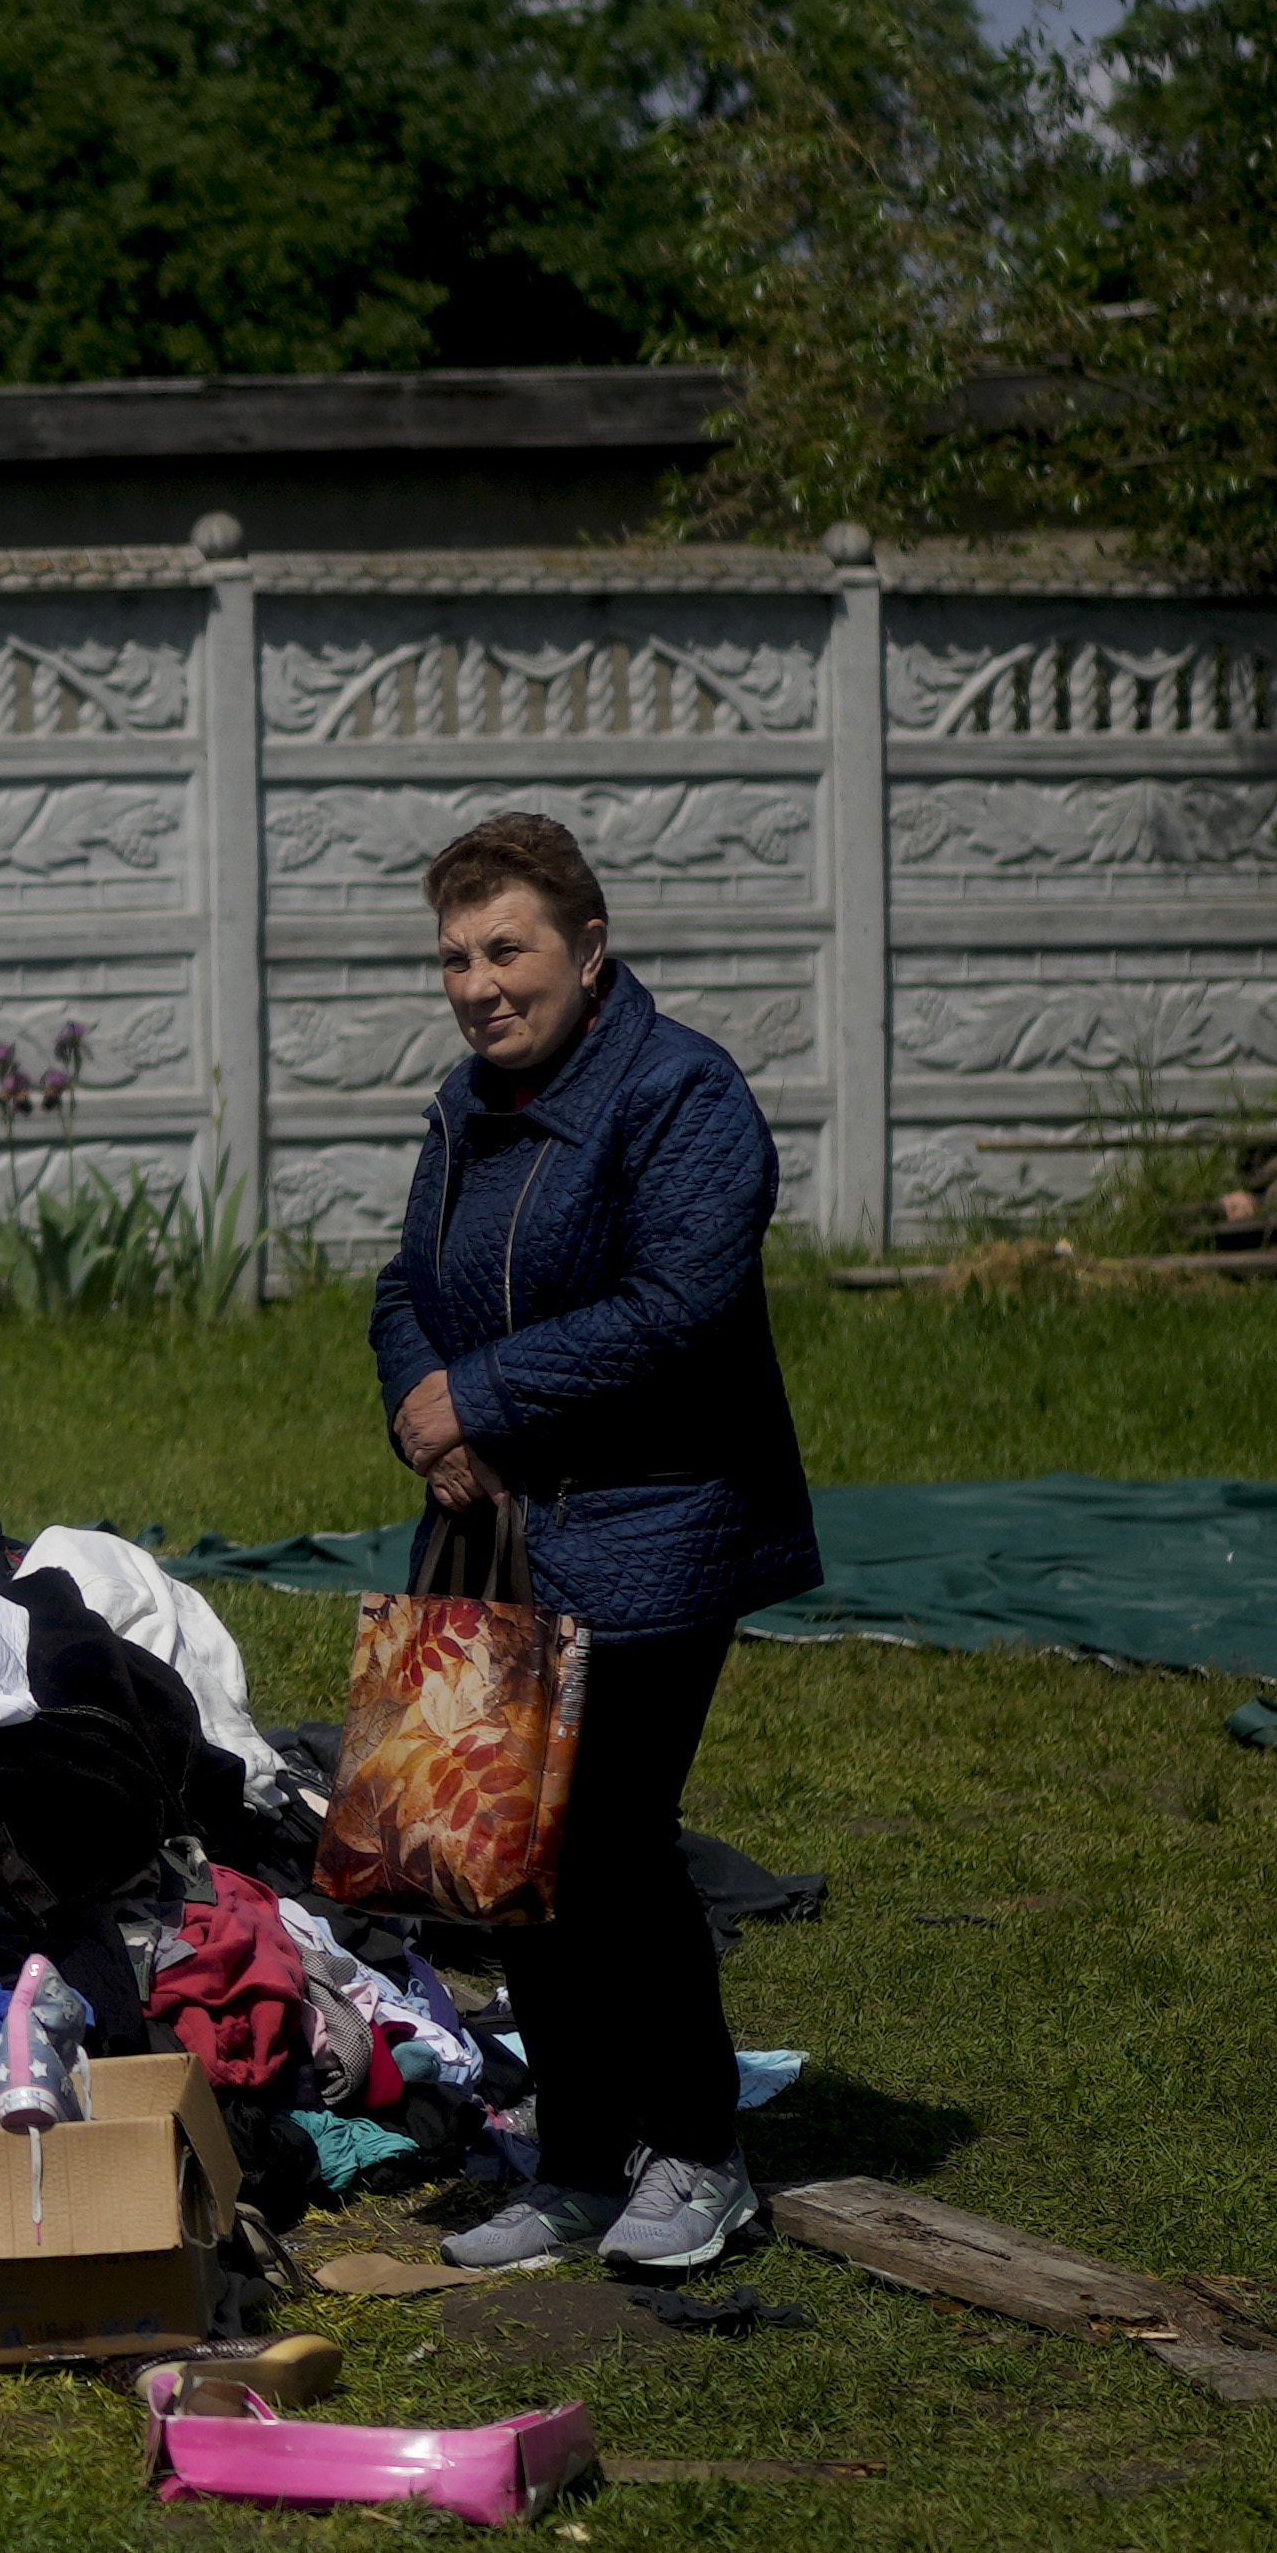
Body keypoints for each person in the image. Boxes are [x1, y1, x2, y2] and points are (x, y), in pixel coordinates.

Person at [367, 811, 818, 2276]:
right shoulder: (464, 1104)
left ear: (590, 946)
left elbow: (679, 1306)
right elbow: (404, 1285)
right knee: (506, 1857)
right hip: (504, 1531)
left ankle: (696, 2150)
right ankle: (574, 2157)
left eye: (509, 948)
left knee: (614, 1845)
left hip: (658, 1527)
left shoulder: (683, 1096)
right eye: (456, 954)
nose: (479, 982)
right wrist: (424, 1412)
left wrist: (482, 1397)